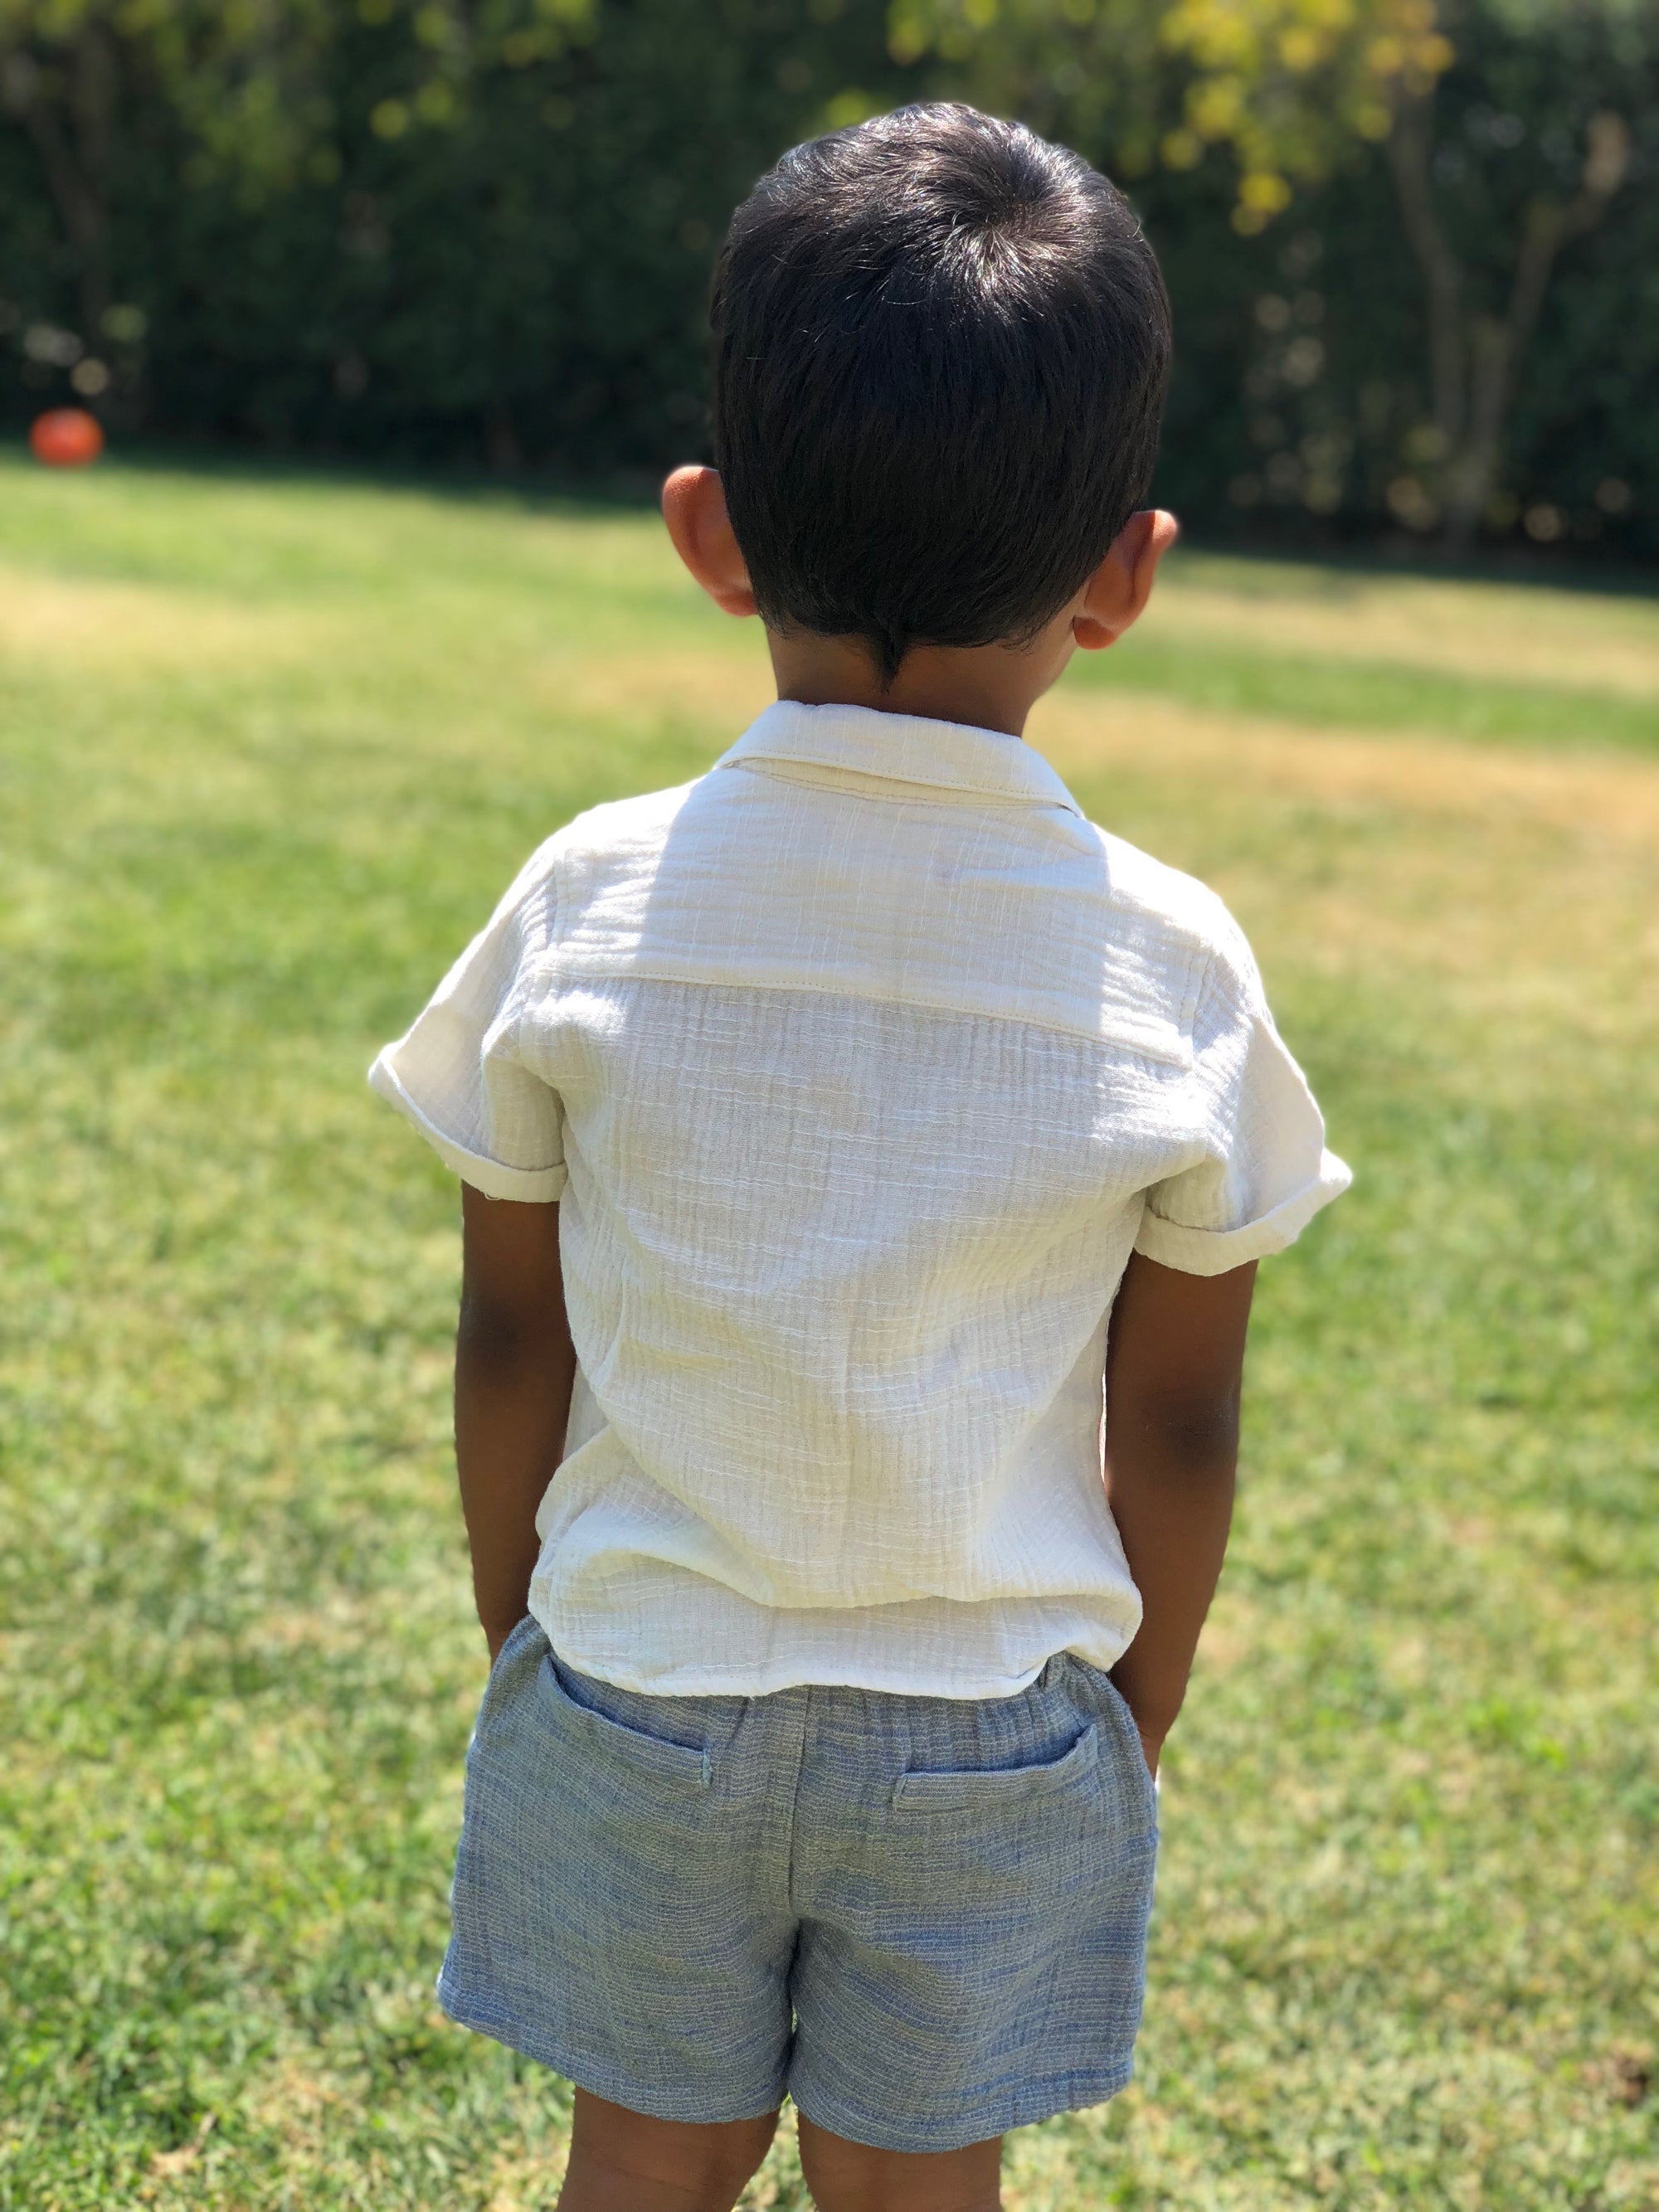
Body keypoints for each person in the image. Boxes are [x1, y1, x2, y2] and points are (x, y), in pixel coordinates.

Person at [369, 101, 1350, 2212]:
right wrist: (1124, 1726)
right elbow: (1176, 1419)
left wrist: (527, 1642)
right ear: (1124, 575)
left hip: (635, 1679)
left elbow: (502, 1332)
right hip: (992, 1730)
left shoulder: (586, 898)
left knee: (637, 2169)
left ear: (707, 534)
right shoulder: (1174, 963)